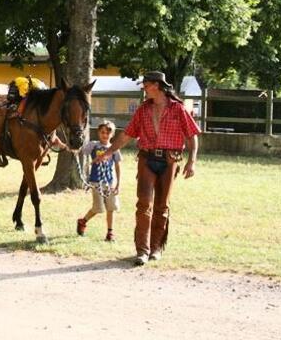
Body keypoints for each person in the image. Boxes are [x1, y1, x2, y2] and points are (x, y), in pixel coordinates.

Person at [95, 71, 200, 266]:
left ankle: (156, 248)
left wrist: (191, 161)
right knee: (143, 204)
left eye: (146, 84)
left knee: (162, 206)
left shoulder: (178, 109)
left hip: (170, 160)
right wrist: (108, 153)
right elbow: (126, 135)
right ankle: (141, 251)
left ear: (157, 86)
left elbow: (192, 135)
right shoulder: (143, 110)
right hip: (146, 158)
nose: (143, 87)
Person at [77, 120, 122, 242]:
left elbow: (117, 166)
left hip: (110, 182)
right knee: (97, 208)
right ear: (98, 133)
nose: (105, 135)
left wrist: (118, 184)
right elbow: (82, 152)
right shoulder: (93, 145)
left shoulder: (114, 149)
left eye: (108, 133)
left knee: (111, 208)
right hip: (96, 182)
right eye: (102, 132)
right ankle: (83, 221)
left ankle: (110, 233)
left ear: (112, 135)